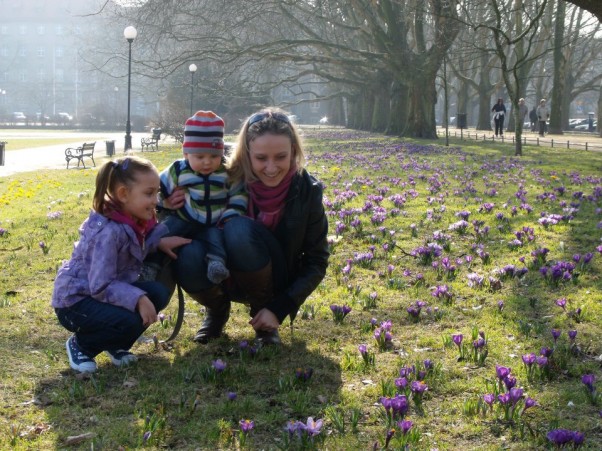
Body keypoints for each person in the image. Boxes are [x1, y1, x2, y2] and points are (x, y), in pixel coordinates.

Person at [169, 107, 329, 346]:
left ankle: (263, 313)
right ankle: (217, 311)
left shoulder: (307, 190)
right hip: (221, 267)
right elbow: (157, 189)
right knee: (189, 253)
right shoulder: (219, 177)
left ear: (293, 151)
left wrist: (279, 307)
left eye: (281, 157)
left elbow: (317, 260)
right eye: (261, 158)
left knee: (238, 228)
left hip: (275, 275)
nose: (271, 168)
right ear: (246, 153)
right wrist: (166, 205)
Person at [52, 156, 190, 373]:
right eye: (148, 193)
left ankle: (115, 344)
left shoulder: (132, 220)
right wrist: (138, 299)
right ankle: (82, 345)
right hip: (76, 302)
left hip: (99, 293)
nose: (156, 200)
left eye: (157, 193)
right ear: (123, 194)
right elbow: (101, 286)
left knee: (157, 294)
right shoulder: (108, 232)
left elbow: (137, 246)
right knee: (132, 318)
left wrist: (159, 242)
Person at [145, 111, 247, 284]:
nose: (207, 162)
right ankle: (150, 266)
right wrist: (165, 202)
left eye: (214, 156)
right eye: (200, 157)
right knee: (162, 234)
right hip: (184, 217)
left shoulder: (226, 172)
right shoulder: (178, 170)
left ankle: (216, 264)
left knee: (216, 239)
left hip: (215, 221)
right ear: (186, 154)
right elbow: (155, 188)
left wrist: (230, 216)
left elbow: (239, 194)